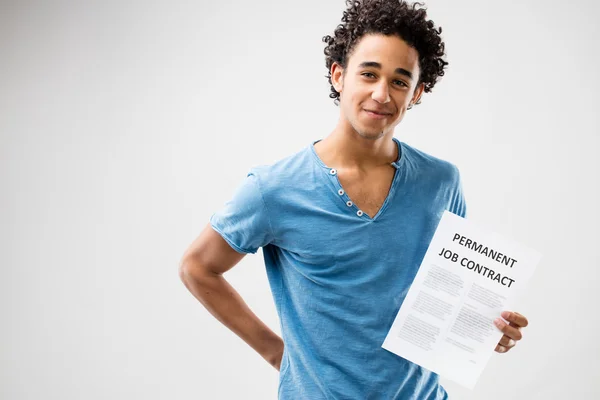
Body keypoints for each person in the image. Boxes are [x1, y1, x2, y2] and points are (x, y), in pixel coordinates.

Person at [179, 0, 529, 398]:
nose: (381, 94)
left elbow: (449, 292)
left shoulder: (441, 182)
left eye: (400, 81)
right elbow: (198, 267)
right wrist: (278, 354)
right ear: (339, 75)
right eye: (368, 74)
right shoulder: (272, 189)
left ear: (417, 92)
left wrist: (485, 330)